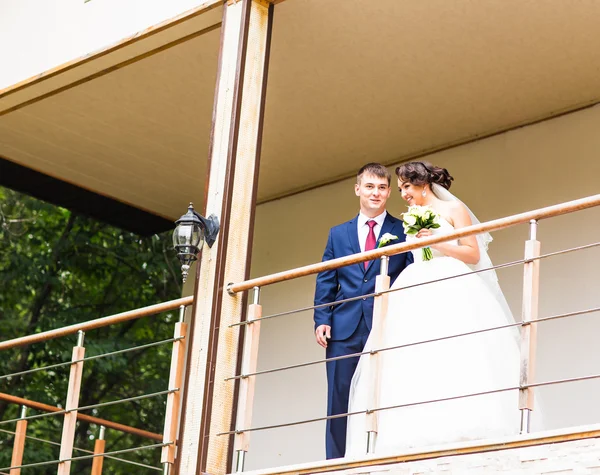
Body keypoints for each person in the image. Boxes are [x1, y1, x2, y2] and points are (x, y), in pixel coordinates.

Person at [345, 161, 524, 456]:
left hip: (453, 284)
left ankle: (466, 425)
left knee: (456, 352)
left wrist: (439, 244)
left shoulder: (454, 211)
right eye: (401, 188)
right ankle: (414, 429)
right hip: (415, 287)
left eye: (406, 187)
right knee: (414, 357)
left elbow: (472, 252)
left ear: (424, 185)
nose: (402, 194)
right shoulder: (412, 217)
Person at [314, 163, 413, 460]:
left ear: (388, 193)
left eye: (382, 188)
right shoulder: (337, 234)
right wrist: (322, 319)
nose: (376, 193)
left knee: (384, 392)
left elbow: (410, 271)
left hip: (385, 325)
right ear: (358, 189)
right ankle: (335, 462)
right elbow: (326, 278)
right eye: (370, 186)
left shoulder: (403, 229)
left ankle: (378, 456)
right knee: (338, 398)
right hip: (343, 328)